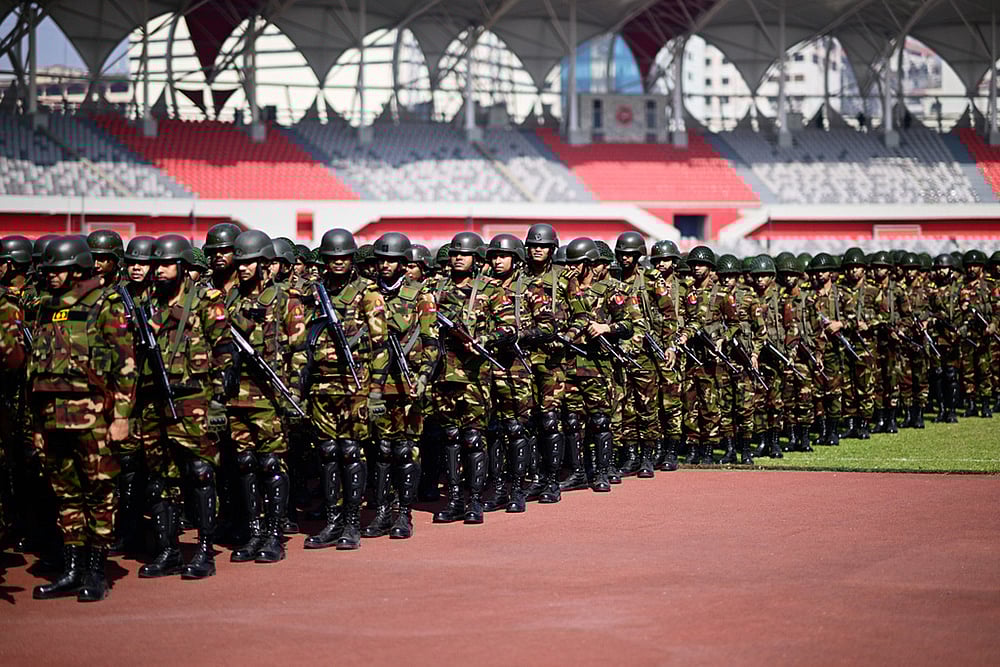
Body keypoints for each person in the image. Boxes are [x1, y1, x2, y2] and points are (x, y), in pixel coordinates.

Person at [29, 236, 136, 602]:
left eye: (57, 270)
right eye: (48, 271)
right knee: (66, 495)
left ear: (77, 269)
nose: (52, 277)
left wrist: (121, 416)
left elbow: (125, 366)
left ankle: (95, 569)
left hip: (93, 416)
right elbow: (35, 370)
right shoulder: (46, 307)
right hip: (52, 417)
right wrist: (37, 425)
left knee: (99, 492)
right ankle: (72, 568)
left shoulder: (105, 304)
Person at [135, 234, 233, 580]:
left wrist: (219, 402)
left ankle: (205, 550)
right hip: (154, 400)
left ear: (180, 267)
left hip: (194, 399)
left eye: (164, 265)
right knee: (160, 478)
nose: (157, 271)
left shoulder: (206, 301)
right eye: (155, 265)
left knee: (200, 473)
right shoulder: (147, 303)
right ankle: (169, 549)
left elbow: (224, 355)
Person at [302, 229, 388, 550]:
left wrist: (376, 388)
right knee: (326, 454)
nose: (338, 262)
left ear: (351, 259)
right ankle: (332, 520)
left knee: (351, 452)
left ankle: (352, 522)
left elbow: (380, 345)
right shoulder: (315, 292)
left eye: (343, 257)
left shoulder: (368, 294)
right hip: (321, 385)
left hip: (356, 383)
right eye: (332, 257)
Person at [226, 230, 306, 564]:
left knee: (272, 463)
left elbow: (300, 352)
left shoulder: (285, 299)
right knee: (245, 464)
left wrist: (294, 394)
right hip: (237, 395)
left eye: (251, 262)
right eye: (240, 262)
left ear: (265, 264)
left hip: (272, 395)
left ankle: (274, 535)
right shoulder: (229, 299)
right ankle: (254, 531)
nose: (244, 268)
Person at [364, 232, 438, 538]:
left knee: (406, 450)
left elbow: (431, 339)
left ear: (403, 263)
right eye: (381, 260)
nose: (385, 265)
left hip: (407, 380)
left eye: (391, 260)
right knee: (381, 449)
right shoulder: (368, 294)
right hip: (377, 382)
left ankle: (403, 513)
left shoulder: (421, 295)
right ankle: (382, 511)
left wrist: (424, 376)